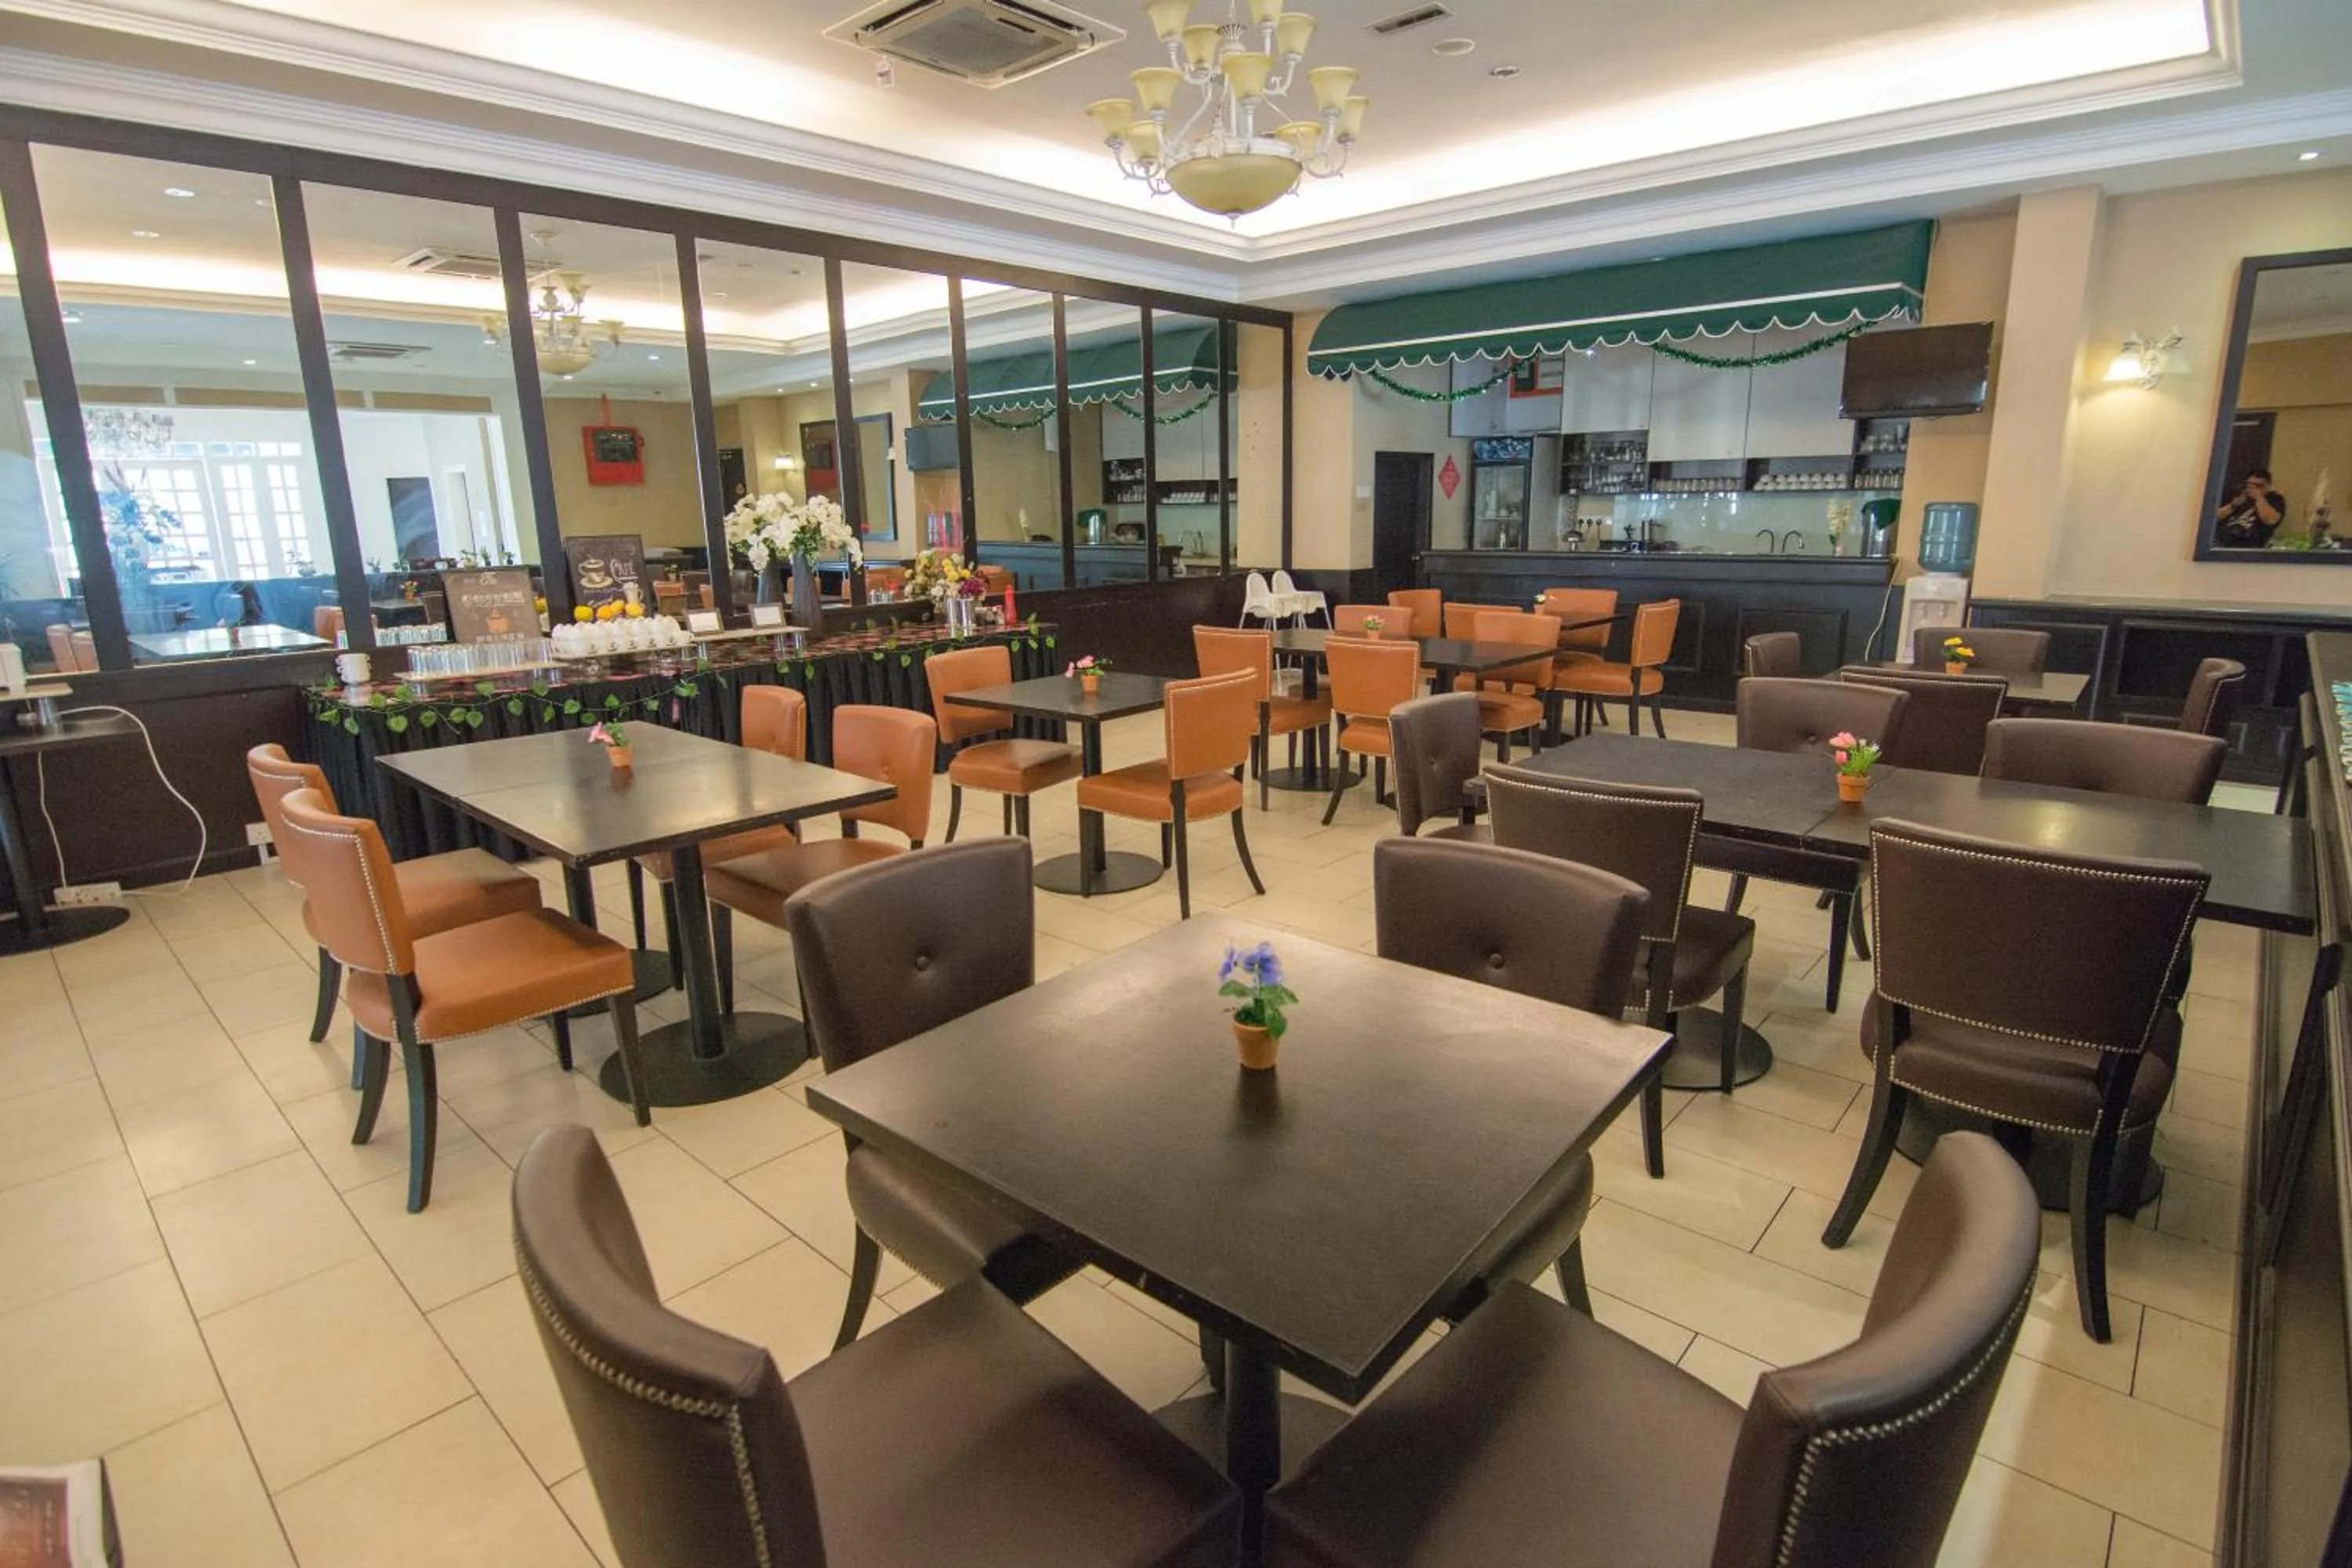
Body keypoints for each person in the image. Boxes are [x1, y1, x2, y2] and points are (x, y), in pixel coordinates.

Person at [2215, 466, 2287, 546]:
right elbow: (2214, 518)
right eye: (2249, 485)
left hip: (2248, 545)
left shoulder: (2274, 499)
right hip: (2222, 542)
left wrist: (2258, 497)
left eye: (2258, 486)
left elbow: (2270, 520)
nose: (2252, 489)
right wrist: (2233, 506)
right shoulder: (2242, 497)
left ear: (2268, 486)